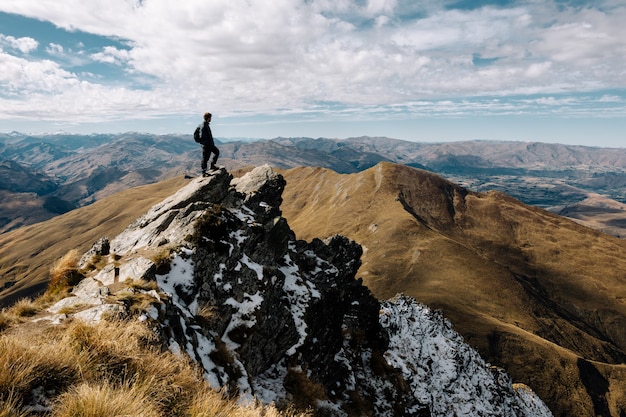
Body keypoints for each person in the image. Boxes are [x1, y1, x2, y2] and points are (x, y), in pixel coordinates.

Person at [200, 112, 220, 176]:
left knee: (216, 152)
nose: (211, 119)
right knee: (205, 158)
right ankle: (204, 172)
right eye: (210, 117)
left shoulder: (206, 124)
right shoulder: (203, 126)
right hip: (207, 145)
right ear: (208, 118)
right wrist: (206, 144)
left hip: (210, 144)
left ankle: (212, 165)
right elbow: (202, 137)